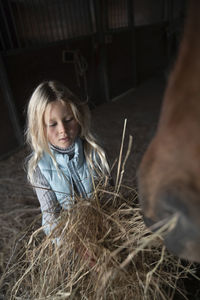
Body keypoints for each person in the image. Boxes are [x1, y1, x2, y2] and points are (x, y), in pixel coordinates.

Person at [25, 80, 110, 241]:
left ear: (78, 117)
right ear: (39, 128)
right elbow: (51, 219)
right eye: (52, 124)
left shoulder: (95, 152)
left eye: (68, 119)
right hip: (71, 241)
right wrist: (76, 246)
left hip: (106, 229)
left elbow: (110, 196)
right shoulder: (40, 168)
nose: (63, 130)